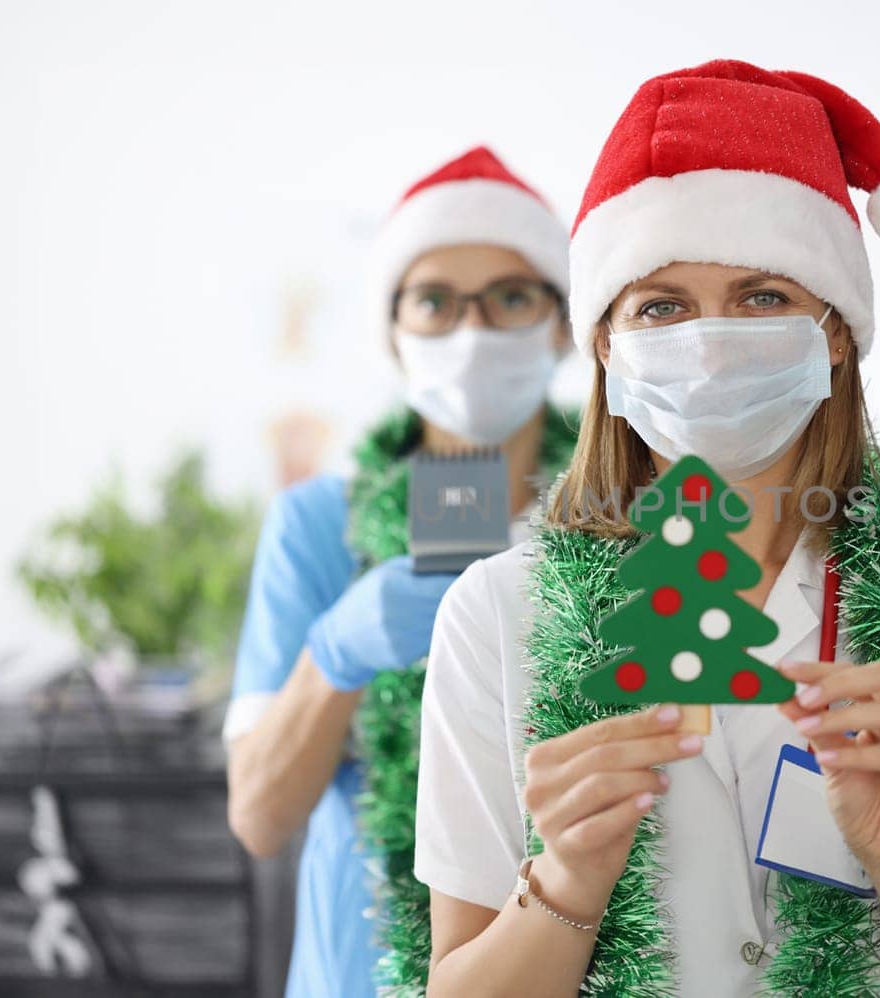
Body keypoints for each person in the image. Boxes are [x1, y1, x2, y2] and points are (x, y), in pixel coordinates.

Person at [413, 62, 880, 997]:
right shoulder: (494, 614)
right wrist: (566, 881)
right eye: (661, 305)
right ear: (605, 342)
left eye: (764, 294)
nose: (710, 343)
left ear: (838, 329)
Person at [223, 146, 576, 998]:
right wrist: (337, 649)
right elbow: (260, 818)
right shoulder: (318, 526)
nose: (473, 331)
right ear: (394, 333)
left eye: (512, 296)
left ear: (564, 324)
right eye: (435, 302)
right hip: (362, 972)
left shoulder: (626, 519)